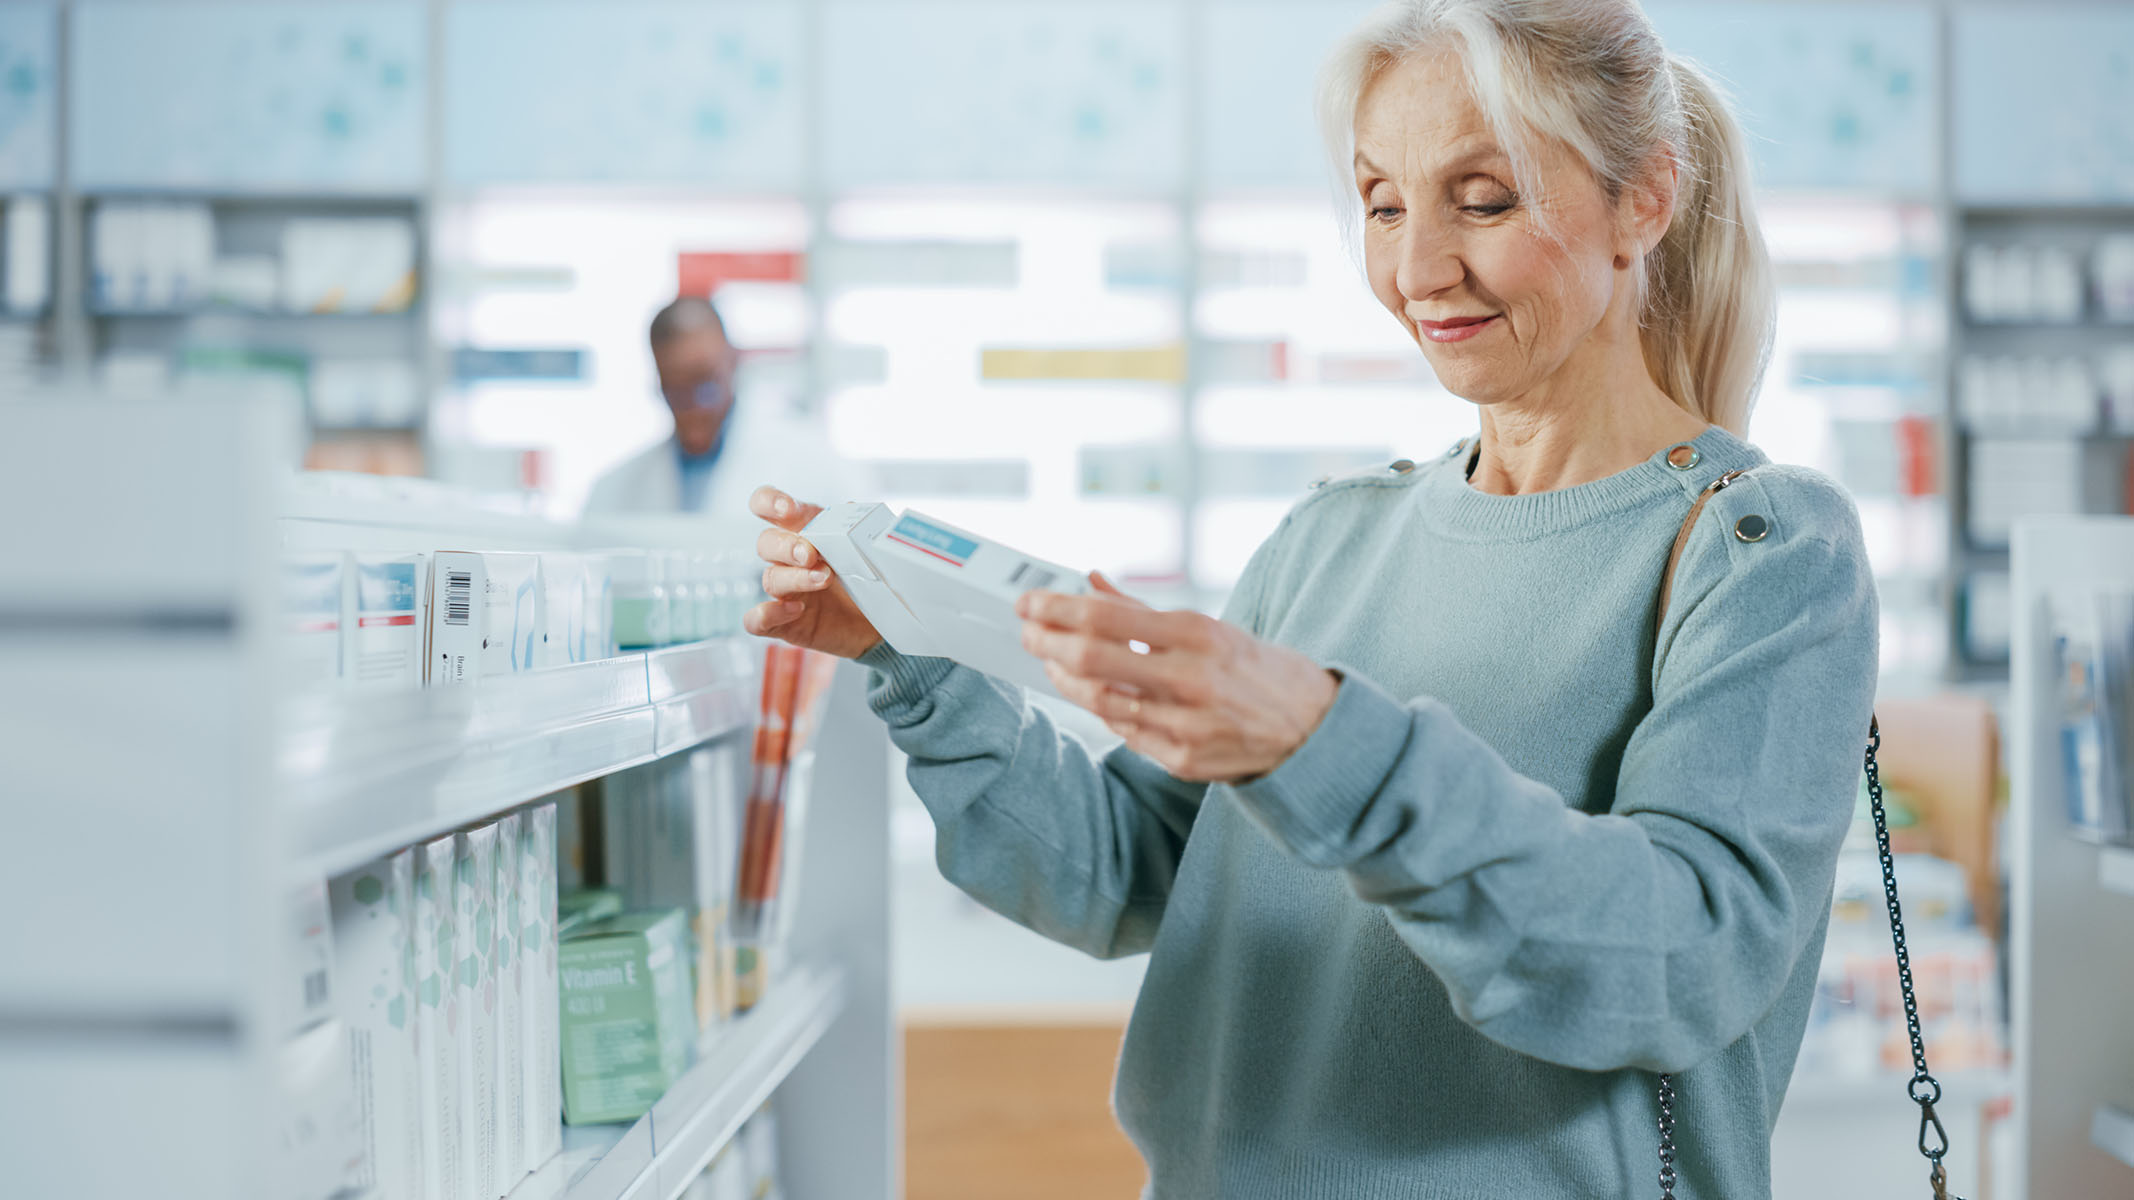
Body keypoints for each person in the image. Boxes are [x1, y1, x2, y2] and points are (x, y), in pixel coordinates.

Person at [746, 2, 1876, 1196]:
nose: (1415, 269)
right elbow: (1120, 873)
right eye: (1383, 203)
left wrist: (1320, 740)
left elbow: (1681, 960)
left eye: (1481, 201)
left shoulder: (1761, 550)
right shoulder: (1329, 540)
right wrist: (916, 652)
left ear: (1642, 201)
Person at [583, 295, 851, 518]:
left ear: (733, 364)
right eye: (677, 391)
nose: (695, 408)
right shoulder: (613, 491)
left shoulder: (813, 460)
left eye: (705, 384)